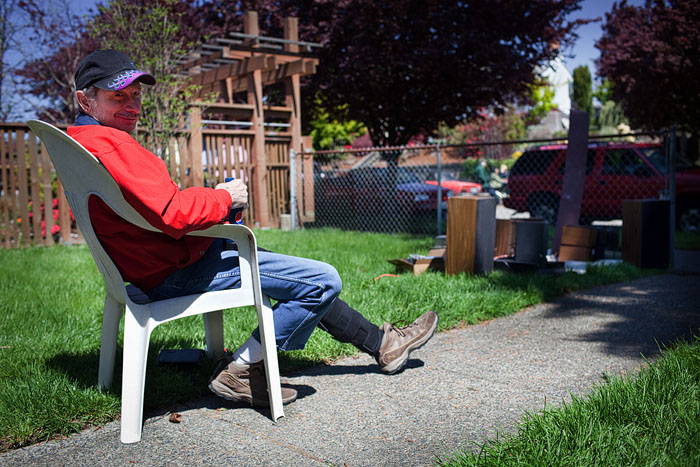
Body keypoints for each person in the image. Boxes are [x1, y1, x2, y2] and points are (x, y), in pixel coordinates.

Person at [69, 49, 438, 407]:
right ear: (85, 100)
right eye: (119, 96)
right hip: (177, 272)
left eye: (136, 95)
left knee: (300, 278)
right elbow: (173, 212)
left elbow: (158, 209)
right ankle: (241, 369)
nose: (133, 105)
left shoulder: (82, 144)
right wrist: (224, 197)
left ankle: (382, 343)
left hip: (159, 265)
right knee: (323, 281)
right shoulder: (113, 145)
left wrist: (213, 202)